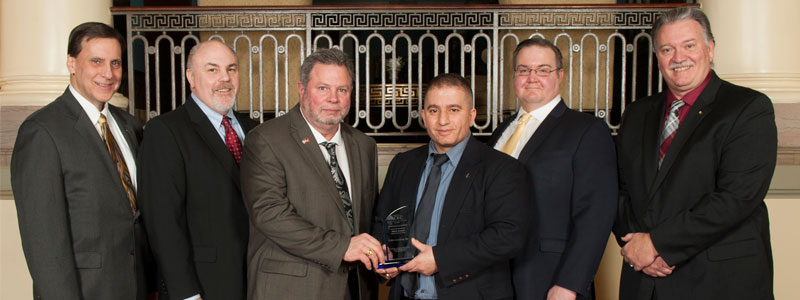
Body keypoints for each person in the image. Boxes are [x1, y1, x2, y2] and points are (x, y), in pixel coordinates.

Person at [613, 7, 777, 299]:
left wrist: (657, 244)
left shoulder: (748, 108)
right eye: (667, 49)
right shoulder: (637, 114)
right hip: (646, 281)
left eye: (689, 45)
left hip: (719, 280)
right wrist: (637, 249)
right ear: (658, 57)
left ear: (710, 49)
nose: (678, 58)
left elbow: (735, 198)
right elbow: (619, 190)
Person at [11, 22, 154, 299]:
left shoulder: (128, 126)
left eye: (116, 63)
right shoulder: (42, 131)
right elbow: (44, 244)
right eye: (96, 61)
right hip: (85, 291)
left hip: (133, 286)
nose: (108, 74)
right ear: (72, 63)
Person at [240, 48, 381, 300]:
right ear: (302, 89)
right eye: (323, 88)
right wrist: (343, 246)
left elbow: (366, 217)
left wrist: (382, 252)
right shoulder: (266, 139)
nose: (333, 98)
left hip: (356, 288)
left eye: (342, 90)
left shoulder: (364, 145)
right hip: (291, 289)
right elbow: (270, 213)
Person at [373, 73, 529, 300]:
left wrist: (440, 259)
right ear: (424, 116)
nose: (443, 120)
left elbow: (508, 236)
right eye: (434, 110)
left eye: (454, 110)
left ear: (471, 115)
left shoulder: (502, 168)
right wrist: (383, 253)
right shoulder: (403, 164)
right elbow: (381, 222)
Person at [488, 38, 618, 300]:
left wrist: (570, 283)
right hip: (495, 276)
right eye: (524, 70)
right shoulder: (500, 132)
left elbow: (595, 214)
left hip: (551, 278)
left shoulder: (587, 130)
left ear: (559, 75)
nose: (532, 77)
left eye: (543, 69)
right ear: (514, 76)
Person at [137, 40, 257, 300]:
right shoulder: (166, 131)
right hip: (203, 285)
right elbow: (163, 222)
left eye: (232, 69)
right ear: (191, 77)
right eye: (212, 70)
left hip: (256, 281)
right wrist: (186, 293)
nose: (225, 78)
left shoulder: (253, 128)